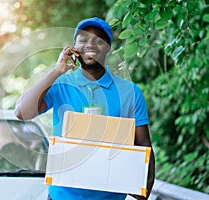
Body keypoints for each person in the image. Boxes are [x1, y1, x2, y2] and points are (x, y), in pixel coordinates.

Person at [15, 17, 155, 200]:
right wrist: (57, 70)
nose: (90, 44)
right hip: (62, 196)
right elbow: (21, 112)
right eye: (83, 39)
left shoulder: (129, 92)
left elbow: (144, 145)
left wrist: (143, 190)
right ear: (74, 48)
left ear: (107, 47)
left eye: (99, 40)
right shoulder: (60, 83)